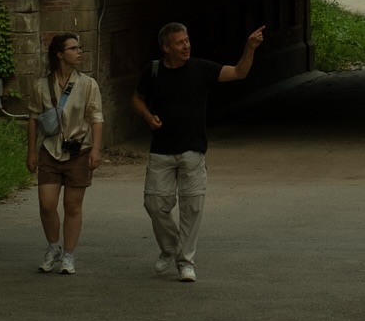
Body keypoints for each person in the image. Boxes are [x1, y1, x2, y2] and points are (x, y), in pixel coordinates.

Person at [133, 20, 264, 283]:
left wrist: (250, 48)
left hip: (193, 149)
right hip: (161, 149)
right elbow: (136, 97)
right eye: (180, 42)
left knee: (192, 206)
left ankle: (185, 262)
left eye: (187, 40)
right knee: (155, 203)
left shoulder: (201, 68)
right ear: (166, 47)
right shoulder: (154, 71)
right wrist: (148, 116)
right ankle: (171, 248)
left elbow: (239, 72)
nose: (186, 46)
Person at [27, 32, 103, 275]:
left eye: (80, 48)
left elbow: (96, 118)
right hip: (50, 150)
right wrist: (31, 152)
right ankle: (53, 247)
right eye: (73, 48)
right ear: (60, 54)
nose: (79, 52)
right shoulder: (42, 85)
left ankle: (69, 254)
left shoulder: (88, 84)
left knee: (72, 205)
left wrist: (96, 150)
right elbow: (32, 118)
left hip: (79, 150)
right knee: (46, 204)